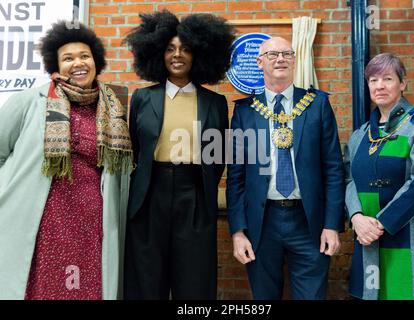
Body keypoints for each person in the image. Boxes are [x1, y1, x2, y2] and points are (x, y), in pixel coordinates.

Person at [0, 21, 133, 300]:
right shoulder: (30, 101)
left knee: (87, 288)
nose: (78, 63)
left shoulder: (111, 107)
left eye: (84, 56)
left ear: (96, 60)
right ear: (56, 66)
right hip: (44, 220)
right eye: (68, 58)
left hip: (92, 221)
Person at [123, 10, 234, 300]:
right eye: (170, 49)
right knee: (147, 278)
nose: (177, 55)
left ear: (197, 55)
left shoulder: (215, 103)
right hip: (149, 196)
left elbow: (218, 156)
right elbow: (136, 147)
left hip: (195, 194)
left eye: (185, 49)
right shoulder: (142, 98)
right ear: (158, 54)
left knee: (195, 280)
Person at [226, 36, 345, 300]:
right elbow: (236, 176)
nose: (280, 59)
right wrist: (237, 231)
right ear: (259, 62)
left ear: (294, 59)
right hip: (262, 222)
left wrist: (332, 225)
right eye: (272, 55)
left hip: (309, 221)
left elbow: (334, 169)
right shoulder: (245, 112)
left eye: (286, 53)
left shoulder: (317, 105)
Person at [345, 53, 414, 300]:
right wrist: (357, 218)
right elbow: (348, 180)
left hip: (411, 234)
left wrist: (380, 223)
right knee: (375, 293)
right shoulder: (360, 135)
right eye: (373, 80)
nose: (379, 86)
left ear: (402, 84)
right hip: (368, 239)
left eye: (388, 79)